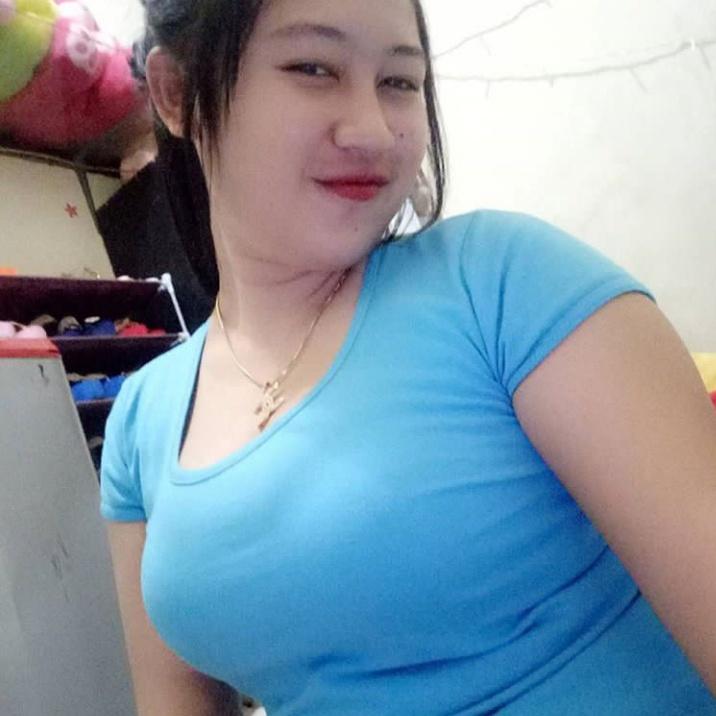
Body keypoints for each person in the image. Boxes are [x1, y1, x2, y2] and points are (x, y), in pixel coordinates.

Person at [99, 0, 716, 714]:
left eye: (399, 81)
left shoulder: (503, 283)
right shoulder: (141, 421)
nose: (372, 130)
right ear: (176, 93)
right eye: (313, 68)